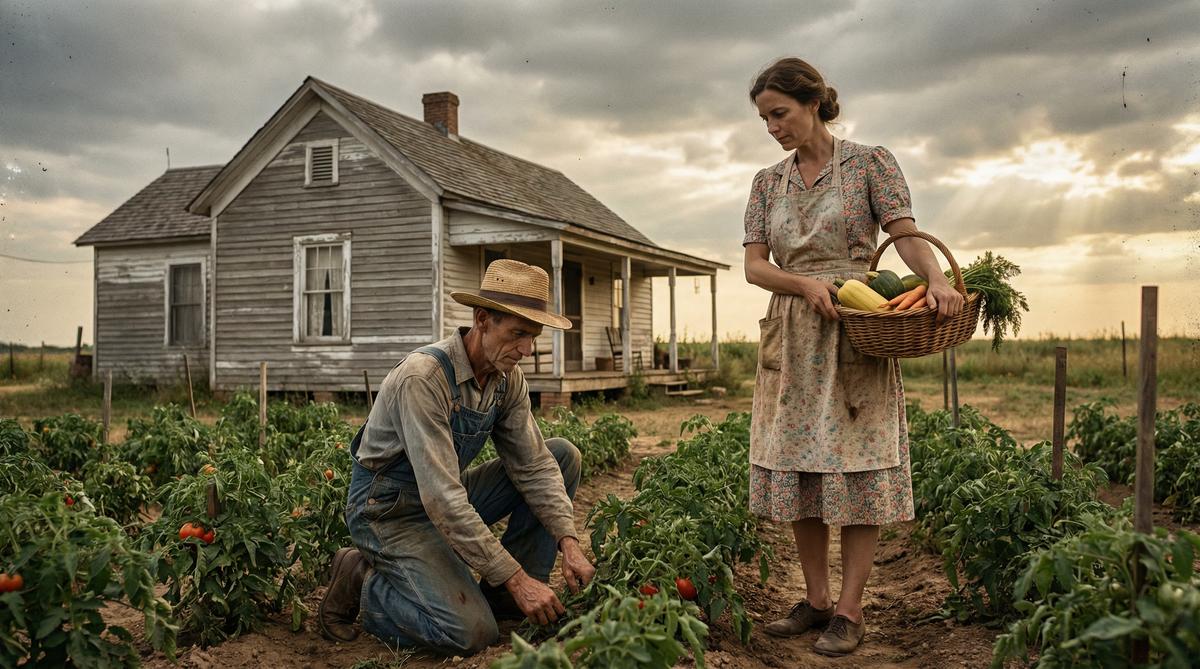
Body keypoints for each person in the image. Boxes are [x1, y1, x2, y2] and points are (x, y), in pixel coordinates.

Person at [742, 57, 963, 657]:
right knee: (800, 467)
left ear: (813, 103)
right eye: (764, 119)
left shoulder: (871, 163)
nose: (772, 128)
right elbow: (755, 265)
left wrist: (936, 279)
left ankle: (849, 608)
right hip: (792, 334)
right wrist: (803, 286)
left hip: (858, 327)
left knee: (857, 466)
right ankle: (815, 600)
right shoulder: (768, 182)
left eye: (779, 114)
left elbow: (905, 233)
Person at [318, 259, 596, 654]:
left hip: (442, 495)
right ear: (482, 320)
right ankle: (361, 579)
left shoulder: (506, 379)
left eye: (532, 337)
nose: (526, 350)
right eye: (518, 334)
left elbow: (533, 465)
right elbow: (443, 501)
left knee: (561, 455)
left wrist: (569, 542)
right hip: (389, 510)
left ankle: (504, 603)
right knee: (469, 634)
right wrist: (514, 576)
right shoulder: (423, 377)